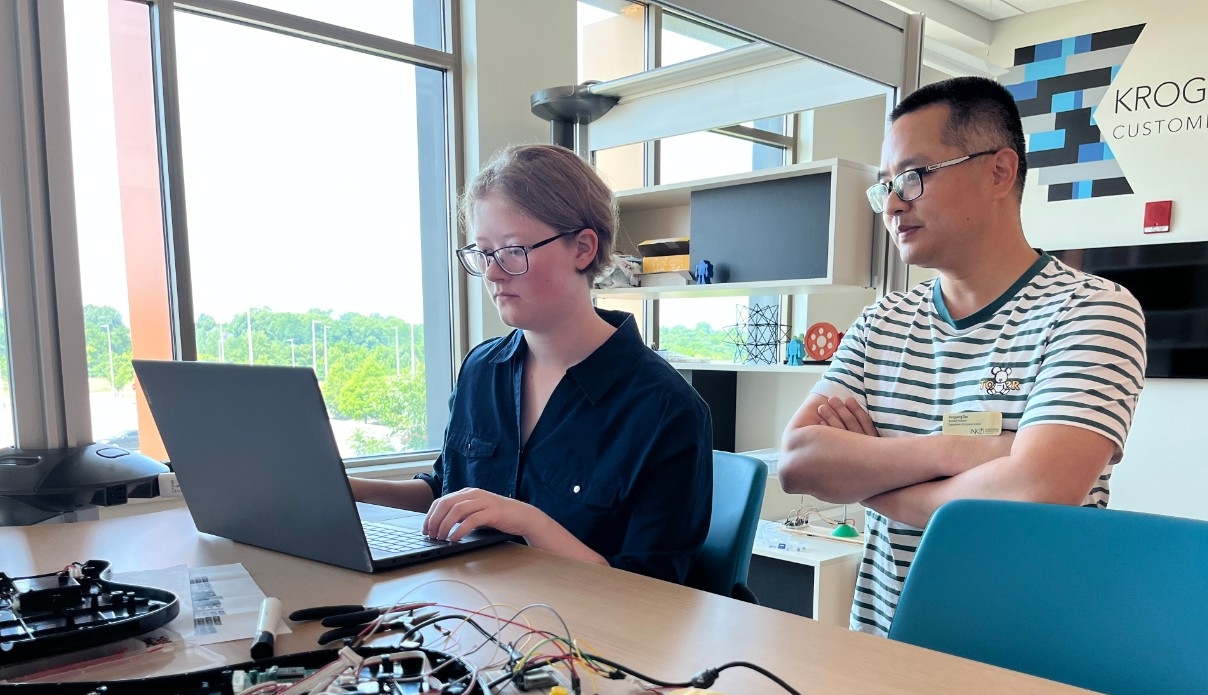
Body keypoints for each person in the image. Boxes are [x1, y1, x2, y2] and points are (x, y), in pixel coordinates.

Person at [778, 76, 1146, 636]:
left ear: (1000, 171)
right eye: (886, 186)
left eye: (915, 176)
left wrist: (870, 483)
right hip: (883, 642)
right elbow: (800, 461)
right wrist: (970, 451)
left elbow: (1033, 494)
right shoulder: (883, 320)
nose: (894, 203)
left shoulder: (1090, 310)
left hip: (1028, 660)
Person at [351, 144, 713, 585]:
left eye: (512, 251)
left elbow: (653, 593)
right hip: (472, 611)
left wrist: (529, 523)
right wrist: (351, 490)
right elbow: (444, 490)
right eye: (484, 254)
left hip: (579, 640)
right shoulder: (481, 370)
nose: (493, 273)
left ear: (582, 249)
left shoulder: (666, 409)